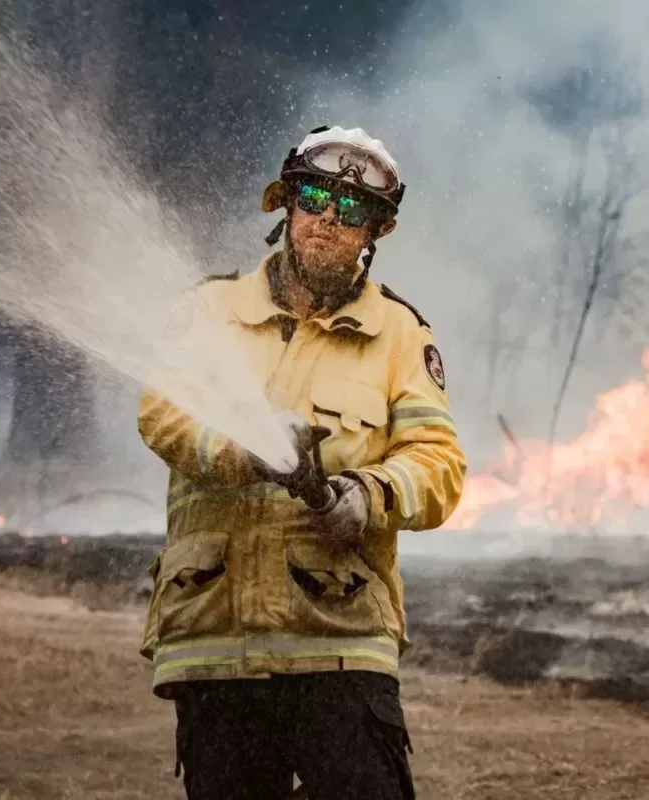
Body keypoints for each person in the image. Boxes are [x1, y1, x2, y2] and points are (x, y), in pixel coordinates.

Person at [136, 125, 466, 800]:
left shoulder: (401, 335)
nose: (329, 220)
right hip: (218, 637)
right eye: (316, 196)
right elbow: (161, 414)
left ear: (377, 230)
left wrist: (366, 494)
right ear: (286, 201)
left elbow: (438, 464)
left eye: (353, 210)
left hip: (341, 638)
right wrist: (241, 451)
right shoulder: (209, 311)